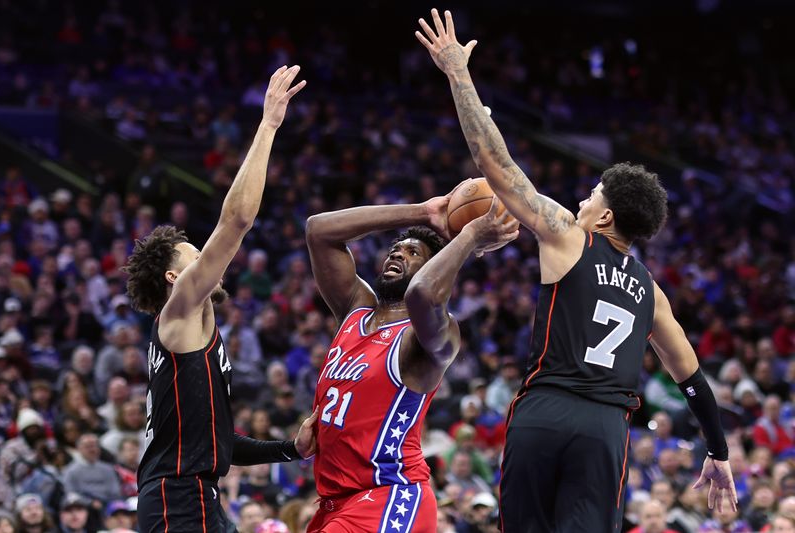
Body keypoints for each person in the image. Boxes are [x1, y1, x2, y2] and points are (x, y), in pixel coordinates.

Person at [416, 9, 737, 532]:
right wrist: (717, 450)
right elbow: (693, 381)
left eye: (592, 196)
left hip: (545, 411)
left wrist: (458, 75)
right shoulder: (651, 294)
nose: (582, 201)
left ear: (606, 216)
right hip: (605, 429)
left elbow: (493, 160)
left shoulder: (568, 233)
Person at [123, 65, 317, 533]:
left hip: (195, 493)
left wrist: (290, 449)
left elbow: (217, 442)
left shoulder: (195, 331)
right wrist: (269, 124)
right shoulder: (180, 308)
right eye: (195, 251)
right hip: (177, 496)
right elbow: (235, 222)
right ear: (175, 275)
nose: (208, 257)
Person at [304, 182, 518, 531]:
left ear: (435, 270)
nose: (397, 254)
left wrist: (470, 235)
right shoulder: (356, 311)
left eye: (413, 253)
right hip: (336, 501)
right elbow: (319, 230)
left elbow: (422, 294)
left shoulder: (434, 333)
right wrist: (423, 211)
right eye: (395, 248)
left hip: (389, 495)